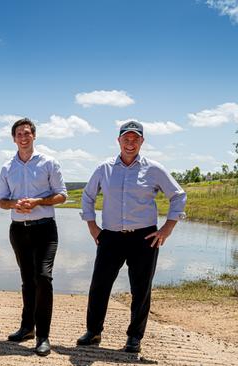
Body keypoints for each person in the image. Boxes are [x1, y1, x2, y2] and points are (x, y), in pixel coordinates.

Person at [77, 121, 187, 353]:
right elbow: (87, 197)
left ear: (142, 142)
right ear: (118, 141)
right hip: (110, 238)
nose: (130, 143)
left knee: (141, 289)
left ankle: (134, 337)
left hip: (144, 238)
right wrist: (92, 227)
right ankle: (93, 332)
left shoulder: (154, 169)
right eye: (126, 139)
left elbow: (178, 195)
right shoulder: (103, 169)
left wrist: (168, 227)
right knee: (99, 285)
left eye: (135, 139)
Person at [0, 118, 67, 356]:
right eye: (19, 134)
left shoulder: (49, 162)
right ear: (13, 138)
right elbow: (1, 202)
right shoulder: (7, 167)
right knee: (28, 280)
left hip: (46, 229)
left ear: (34, 136)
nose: (23, 137)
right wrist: (15, 204)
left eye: (27, 133)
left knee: (43, 278)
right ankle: (27, 327)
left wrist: (38, 201)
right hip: (19, 231)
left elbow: (62, 196)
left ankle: (43, 336)